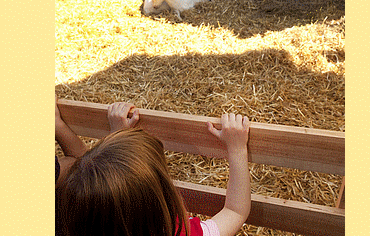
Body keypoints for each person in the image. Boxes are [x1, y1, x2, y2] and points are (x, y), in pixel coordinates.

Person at [56, 100, 251, 236]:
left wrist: (119, 137)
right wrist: (237, 149)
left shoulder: (76, 225)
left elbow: (94, 179)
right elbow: (235, 212)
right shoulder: (182, 233)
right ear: (160, 198)